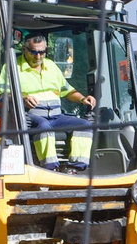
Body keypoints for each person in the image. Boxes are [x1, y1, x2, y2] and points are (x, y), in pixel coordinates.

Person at [14, 33, 96, 172]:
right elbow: (2, 93)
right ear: (24, 50)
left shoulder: (51, 66)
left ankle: (74, 168)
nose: (38, 56)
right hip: (30, 116)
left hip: (56, 116)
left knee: (85, 125)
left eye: (42, 52)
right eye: (34, 52)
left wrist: (83, 99)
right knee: (44, 126)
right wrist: (23, 98)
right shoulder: (14, 67)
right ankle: (49, 168)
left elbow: (67, 91)